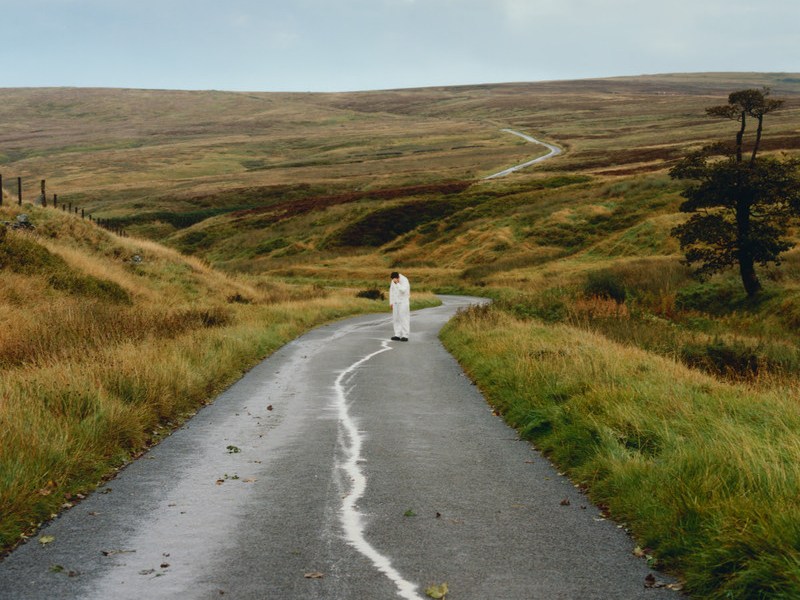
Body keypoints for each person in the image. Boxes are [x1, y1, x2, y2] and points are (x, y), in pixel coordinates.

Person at [389, 271, 410, 342]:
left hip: (403, 302)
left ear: (398, 277)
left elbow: (403, 290)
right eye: (393, 280)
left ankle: (405, 335)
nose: (393, 281)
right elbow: (391, 291)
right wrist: (391, 302)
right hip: (395, 302)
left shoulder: (405, 280)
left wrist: (397, 283)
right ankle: (397, 335)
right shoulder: (393, 281)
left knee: (404, 318)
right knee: (396, 318)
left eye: (395, 279)